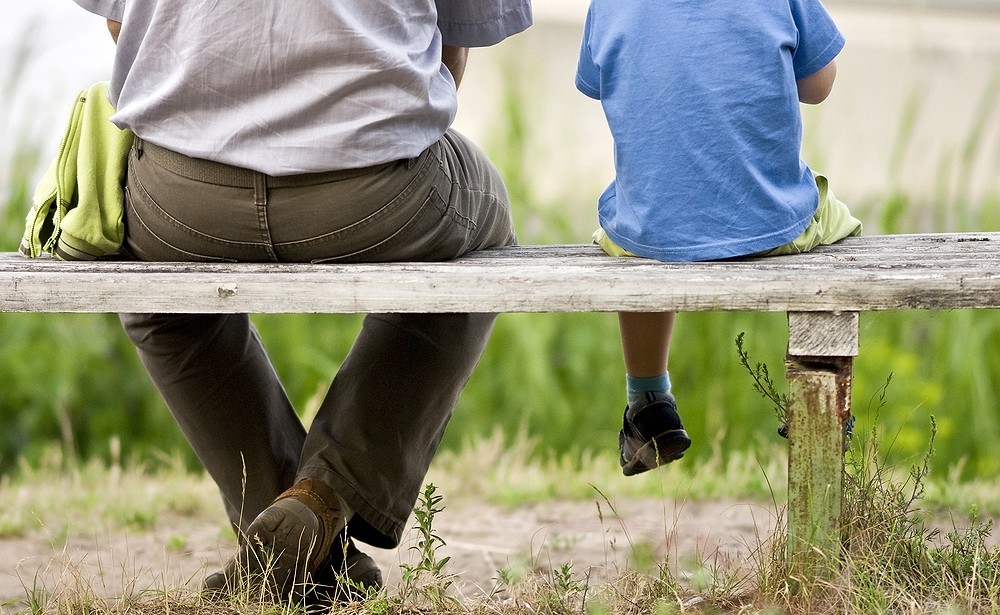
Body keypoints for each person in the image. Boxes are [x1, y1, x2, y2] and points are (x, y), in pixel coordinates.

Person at [70, 0, 531, 603]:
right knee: (477, 239)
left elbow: (121, 26)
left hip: (182, 200)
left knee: (161, 301)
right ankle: (324, 497)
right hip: (375, 196)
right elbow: (455, 42)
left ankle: (289, 521)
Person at [575, 0, 862, 476]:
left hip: (650, 233)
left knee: (631, 233)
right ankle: (821, 391)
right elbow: (820, 84)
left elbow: (604, 80)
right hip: (774, 223)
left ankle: (648, 401)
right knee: (836, 220)